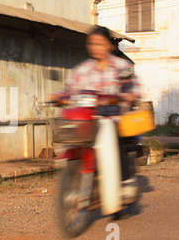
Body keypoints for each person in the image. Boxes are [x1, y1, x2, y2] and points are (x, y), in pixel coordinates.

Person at [52, 25, 141, 182]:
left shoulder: (122, 67)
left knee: (116, 137)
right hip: (87, 120)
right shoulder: (82, 70)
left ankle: (123, 181)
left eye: (99, 43)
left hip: (113, 118)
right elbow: (69, 90)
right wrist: (59, 97)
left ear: (109, 45)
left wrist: (129, 95)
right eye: (91, 44)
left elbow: (132, 88)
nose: (95, 48)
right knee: (71, 136)